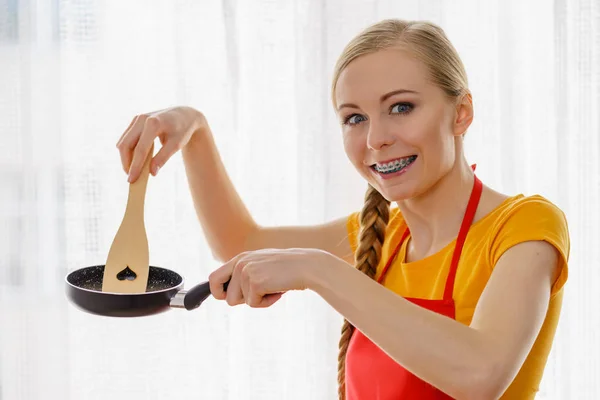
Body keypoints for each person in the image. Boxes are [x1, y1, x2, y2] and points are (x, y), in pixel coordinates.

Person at [117, 19, 569, 400]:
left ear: (461, 113)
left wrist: (318, 271)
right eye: (355, 118)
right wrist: (194, 129)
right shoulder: (382, 237)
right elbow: (240, 244)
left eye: (401, 107)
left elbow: (480, 373)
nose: (375, 139)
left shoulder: (524, 227)